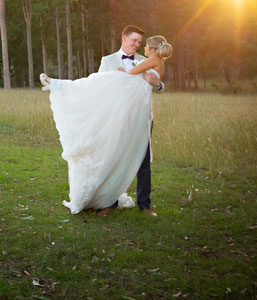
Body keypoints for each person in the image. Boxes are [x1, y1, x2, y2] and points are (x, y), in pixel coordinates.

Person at [40, 30, 172, 215]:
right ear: (124, 38)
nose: (137, 45)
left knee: (143, 162)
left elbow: (157, 84)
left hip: (140, 118)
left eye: (141, 42)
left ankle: (145, 205)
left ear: (150, 47)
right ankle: (109, 203)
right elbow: (101, 87)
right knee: (112, 155)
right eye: (134, 40)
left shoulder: (146, 59)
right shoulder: (108, 60)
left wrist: (155, 83)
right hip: (116, 117)